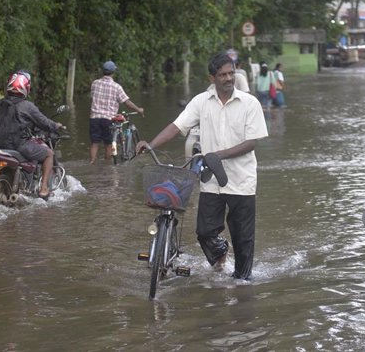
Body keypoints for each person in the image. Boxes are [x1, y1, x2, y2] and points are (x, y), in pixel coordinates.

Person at [137, 52, 268, 280]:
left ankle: (242, 285)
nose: (228, 78)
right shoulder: (201, 102)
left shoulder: (250, 103)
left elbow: (252, 142)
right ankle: (220, 252)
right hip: (212, 180)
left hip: (242, 180)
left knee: (243, 239)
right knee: (205, 232)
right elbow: (177, 126)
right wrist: (151, 144)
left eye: (231, 73)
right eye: (222, 74)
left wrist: (218, 155)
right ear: (212, 78)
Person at [0, 70, 63, 199]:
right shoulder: (26, 106)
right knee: (49, 154)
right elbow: (44, 122)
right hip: (16, 145)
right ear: (26, 88)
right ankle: (43, 189)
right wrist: (55, 125)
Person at [89, 61, 144, 164]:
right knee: (108, 144)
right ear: (113, 72)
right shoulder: (116, 87)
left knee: (94, 143)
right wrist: (138, 109)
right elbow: (127, 102)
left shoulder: (95, 83)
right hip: (108, 119)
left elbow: (93, 96)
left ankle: (92, 163)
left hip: (94, 118)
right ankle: (108, 166)